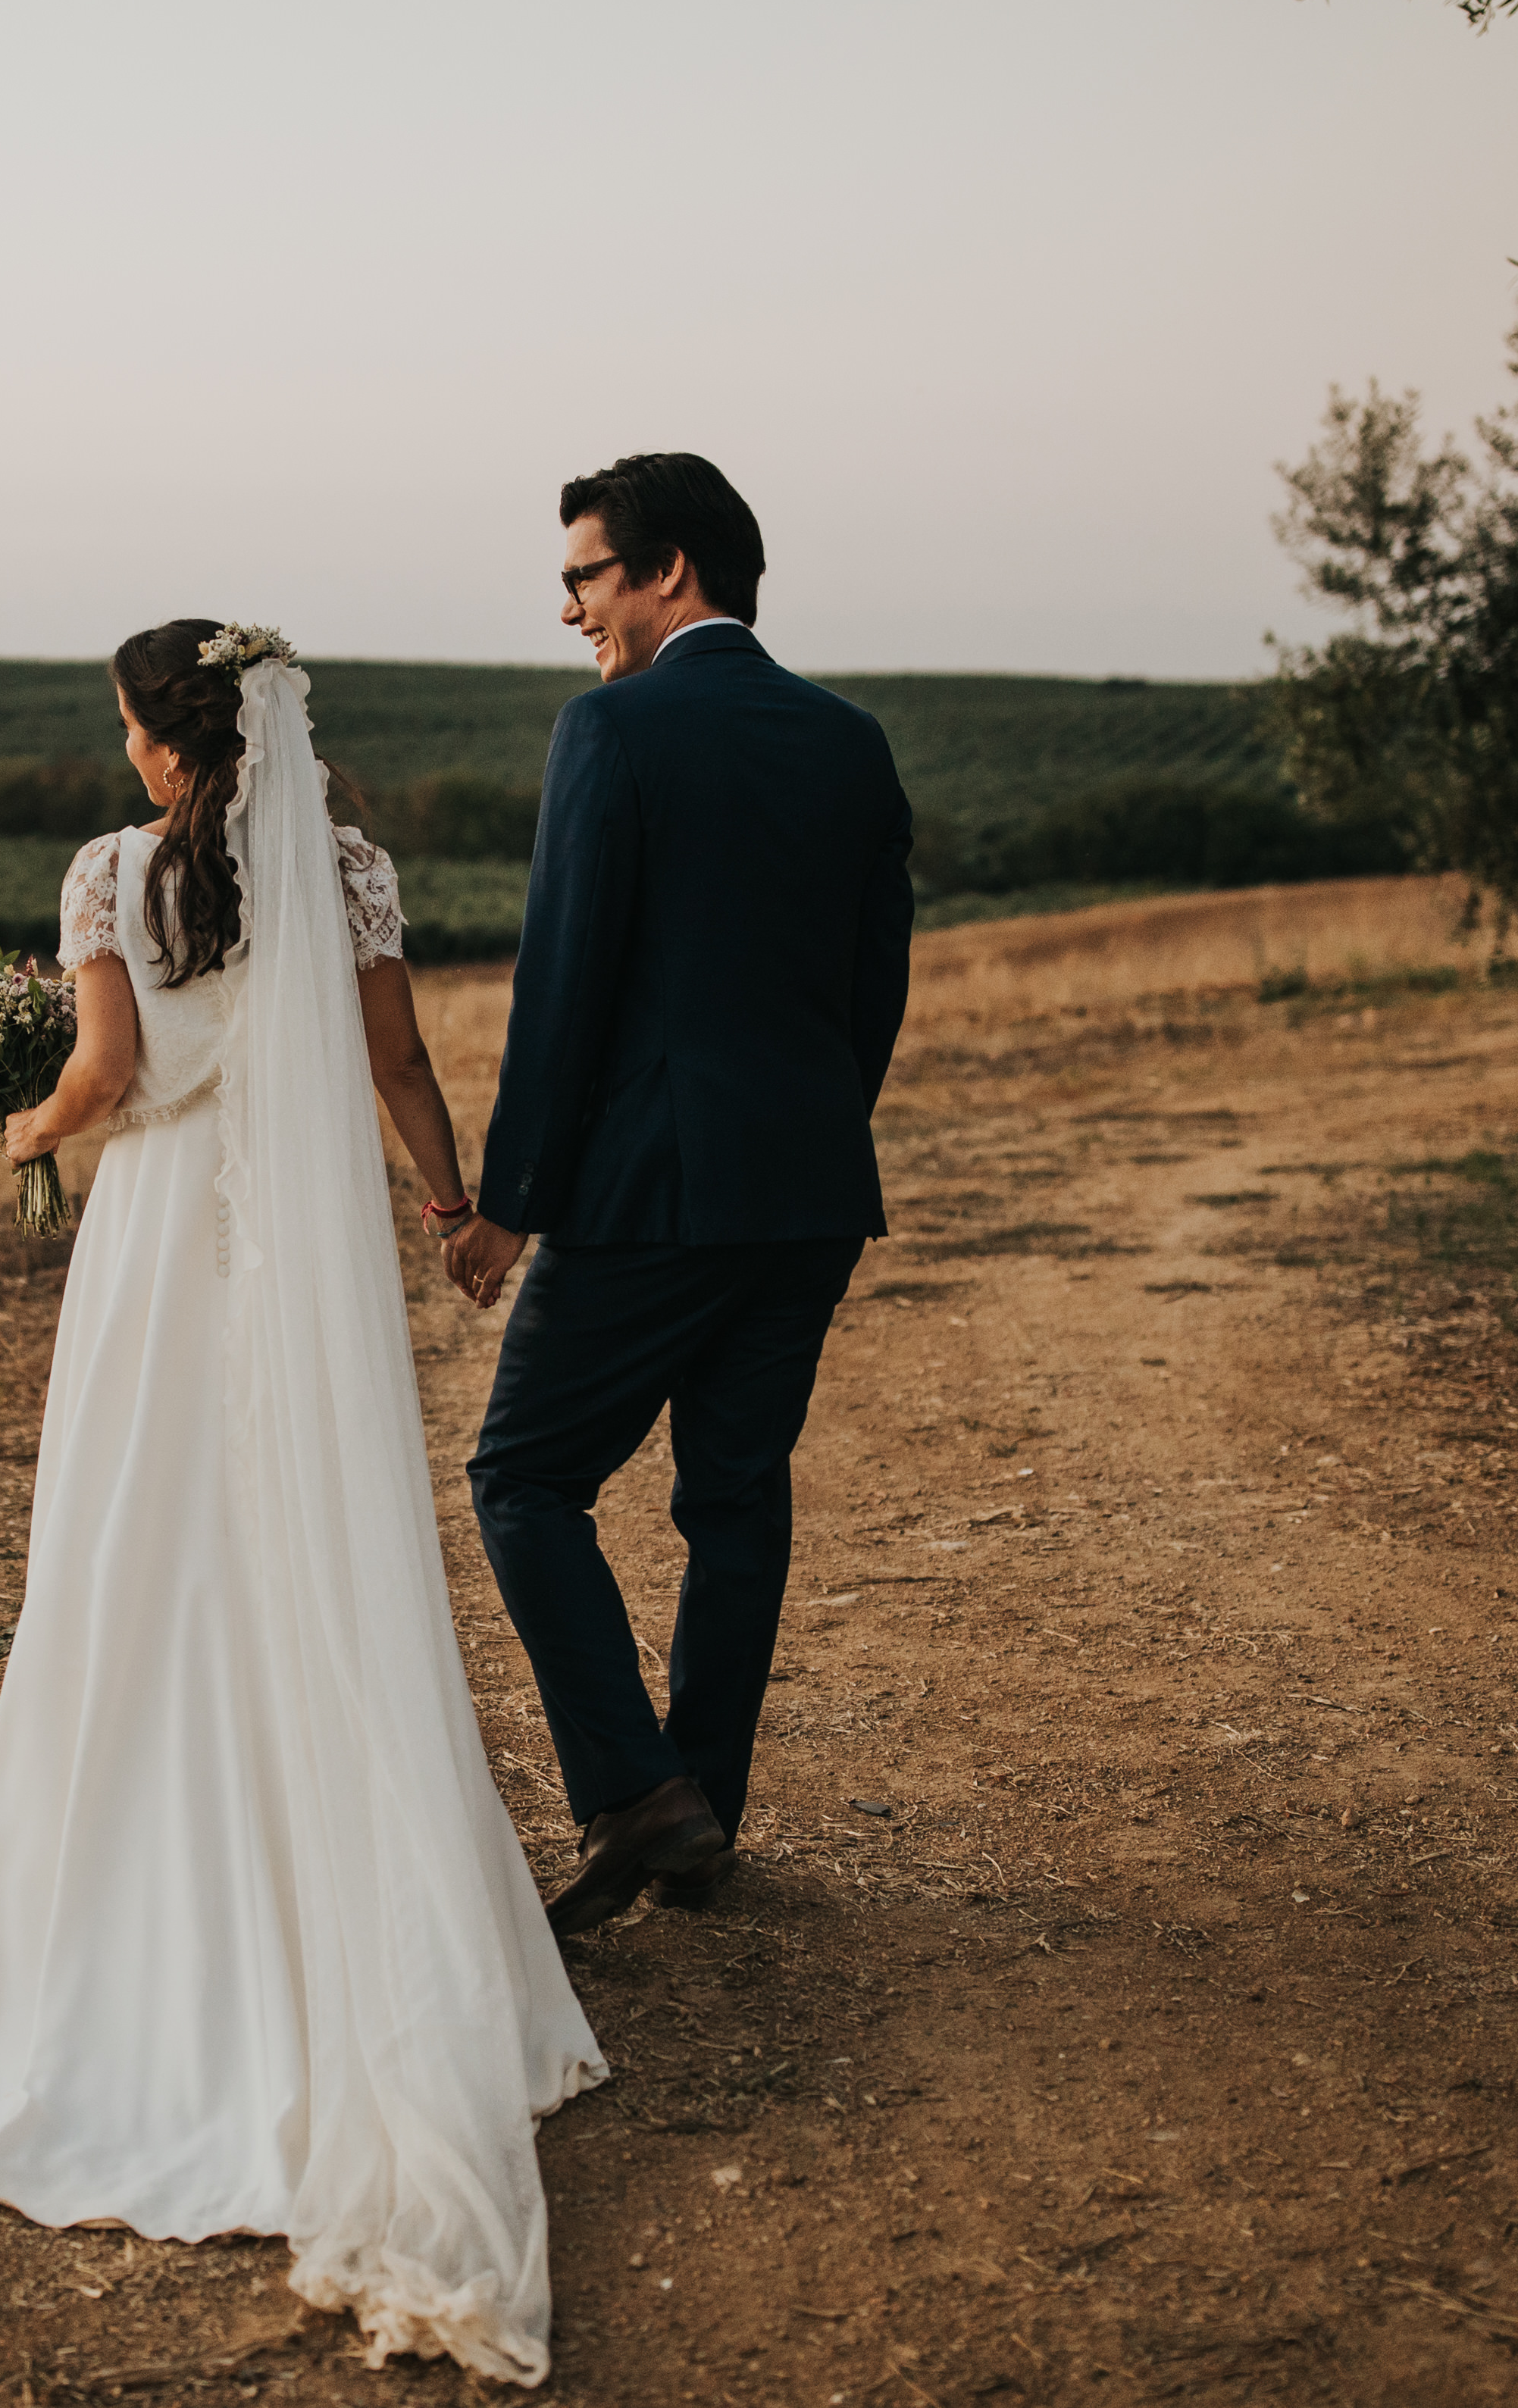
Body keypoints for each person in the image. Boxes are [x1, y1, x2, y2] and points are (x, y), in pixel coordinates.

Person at [0, 620, 605, 2385]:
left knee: (141, 1553)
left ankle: (143, 1946)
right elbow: (395, 1067)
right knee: (318, 1548)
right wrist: (456, 1209)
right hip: (299, 1264)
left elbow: (109, 1079)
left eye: (128, 728)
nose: (125, 756)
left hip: (153, 1253)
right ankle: (364, 1937)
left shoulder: (107, 874)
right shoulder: (345, 864)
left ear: (159, 737)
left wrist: (19, 1131)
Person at [443, 452, 917, 1934]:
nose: (570, 604)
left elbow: (562, 982)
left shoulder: (612, 730)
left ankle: (641, 1789)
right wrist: (809, 1136)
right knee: (733, 1495)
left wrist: (509, 1195)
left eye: (585, 572)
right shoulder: (850, 740)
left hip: (649, 1192)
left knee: (521, 1475)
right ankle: (700, 1805)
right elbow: (873, 987)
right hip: (807, 1185)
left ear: (667, 570)